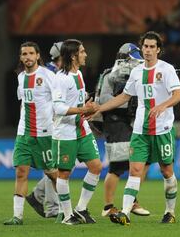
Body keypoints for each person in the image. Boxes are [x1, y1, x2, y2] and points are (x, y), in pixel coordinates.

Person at [90, 31, 180, 225]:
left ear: (158, 49)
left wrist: (162, 105)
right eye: (145, 47)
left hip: (162, 129)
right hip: (141, 131)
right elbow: (124, 97)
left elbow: (178, 95)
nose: (148, 50)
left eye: (151, 47)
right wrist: (99, 108)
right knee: (135, 170)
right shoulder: (136, 72)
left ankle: (170, 212)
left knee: (167, 171)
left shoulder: (166, 70)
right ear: (141, 49)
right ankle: (125, 213)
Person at [4, 42, 58, 225]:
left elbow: (58, 101)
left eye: (30, 53)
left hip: (44, 134)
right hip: (24, 134)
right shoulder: (20, 77)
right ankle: (17, 216)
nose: (27, 57)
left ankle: (67, 209)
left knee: (52, 174)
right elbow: (23, 103)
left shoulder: (48, 75)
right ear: (20, 57)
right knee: (21, 172)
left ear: (37, 55)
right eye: (24, 54)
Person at [96, 43, 150, 217]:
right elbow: (104, 98)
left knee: (141, 163)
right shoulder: (109, 75)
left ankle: (132, 200)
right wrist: (130, 103)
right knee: (118, 167)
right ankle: (108, 206)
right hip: (115, 121)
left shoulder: (137, 75)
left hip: (132, 123)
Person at [52, 39, 102, 225]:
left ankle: (80, 209)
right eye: (82, 51)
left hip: (82, 130)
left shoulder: (79, 74)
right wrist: (83, 110)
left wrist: (87, 106)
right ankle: (66, 216)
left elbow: (77, 103)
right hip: (65, 133)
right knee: (64, 174)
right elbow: (57, 107)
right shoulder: (60, 78)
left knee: (96, 167)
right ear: (73, 56)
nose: (85, 54)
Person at [26, 41, 63, 219]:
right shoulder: (50, 73)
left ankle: (37, 195)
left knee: (59, 166)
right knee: (53, 166)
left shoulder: (58, 71)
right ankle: (53, 207)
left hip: (59, 124)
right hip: (48, 125)